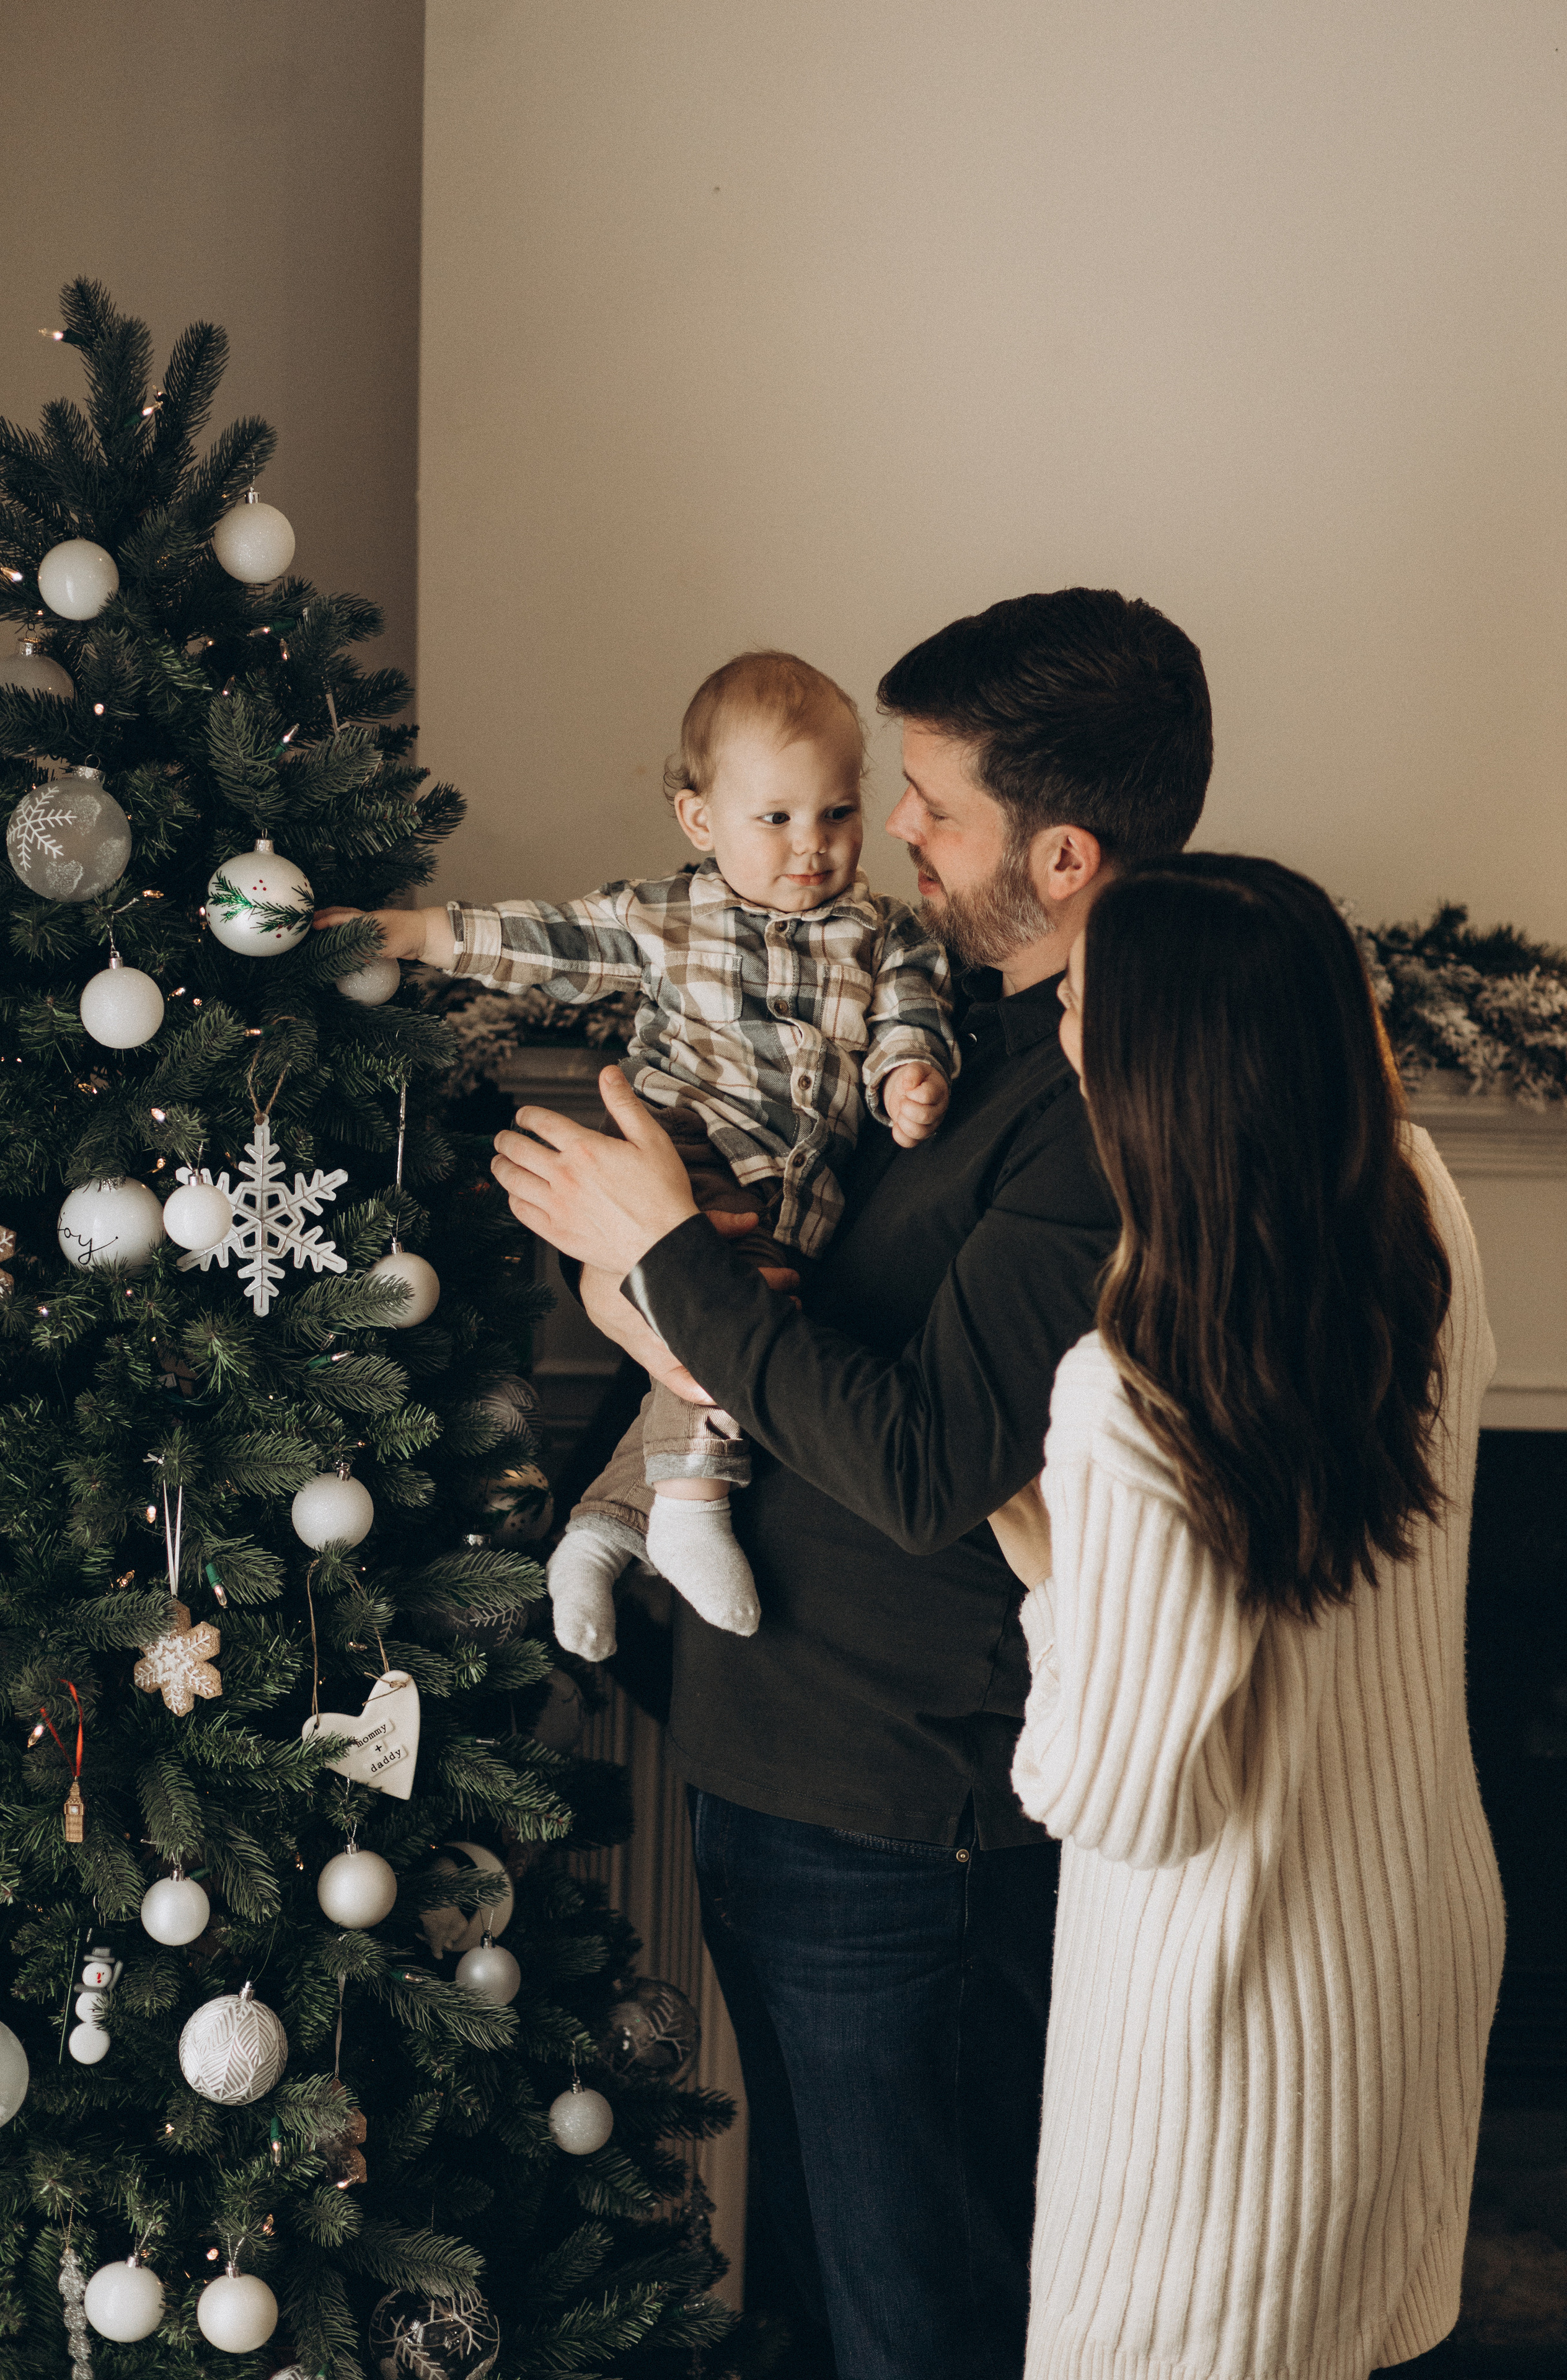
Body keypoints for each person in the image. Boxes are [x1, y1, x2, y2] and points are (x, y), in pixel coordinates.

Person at [491, 588, 1214, 2380]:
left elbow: (922, 1461)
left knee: (925, 2329)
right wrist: (665, 1266)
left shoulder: (1110, 1108)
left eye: (931, 804)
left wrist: (661, 1252)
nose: (887, 833)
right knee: (816, 2309)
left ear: (1059, 854)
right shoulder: (959, 1034)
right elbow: (814, 1328)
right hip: (785, 1769)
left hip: (907, 1830)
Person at [1012, 856, 1503, 2380]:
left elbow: (1119, 1795)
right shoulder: (1423, 1232)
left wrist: (1048, 1575)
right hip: (1405, 1957)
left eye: (1080, 997)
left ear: (1153, 1065)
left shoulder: (1126, 1390)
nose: (1055, 1020)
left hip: (1222, 2051)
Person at [313, 650, 958, 1657]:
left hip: (798, 1193)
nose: (812, 847)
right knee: (736, 1308)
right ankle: (692, 1512)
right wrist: (412, 933)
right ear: (701, 820)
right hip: (686, 1154)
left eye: (836, 814)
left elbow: (914, 1015)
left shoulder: (885, 932)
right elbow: (546, 940)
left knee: (733, 1329)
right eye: (776, 819)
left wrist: (910, 1075)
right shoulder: (669, 919)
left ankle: (603, 1530)